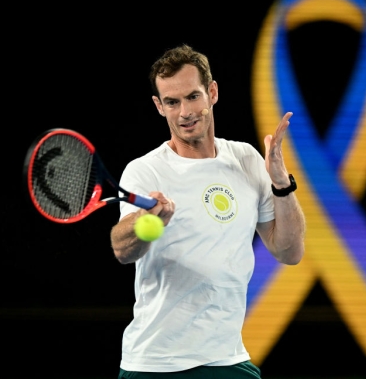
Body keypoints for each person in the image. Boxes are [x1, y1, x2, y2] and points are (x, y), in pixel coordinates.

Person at [110, 44, 306, 378]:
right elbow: (122, 249)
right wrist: (146, 221)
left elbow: (290, 252)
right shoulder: (144, 171)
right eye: (172, 102)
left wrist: (280, 182)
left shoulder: (246, 159)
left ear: (212, 93)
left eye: (192, 97)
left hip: (228, 358)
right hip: (156, 364)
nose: (184, 112)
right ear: (159, 106)